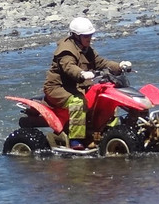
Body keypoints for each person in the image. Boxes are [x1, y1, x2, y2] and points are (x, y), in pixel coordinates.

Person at [43, 17, 132, 149]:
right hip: (58, 88)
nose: (89, 38)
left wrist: (119, 66)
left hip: (78, 87)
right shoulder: (66, 50)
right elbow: (69, 67)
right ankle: (76, 140)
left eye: (90, 35)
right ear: (76, 36)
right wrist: (82, 74)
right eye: (86, 36)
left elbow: (101, 63)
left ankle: (104, 133)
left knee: (106, 98)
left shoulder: (86, 49)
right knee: (77, 102)